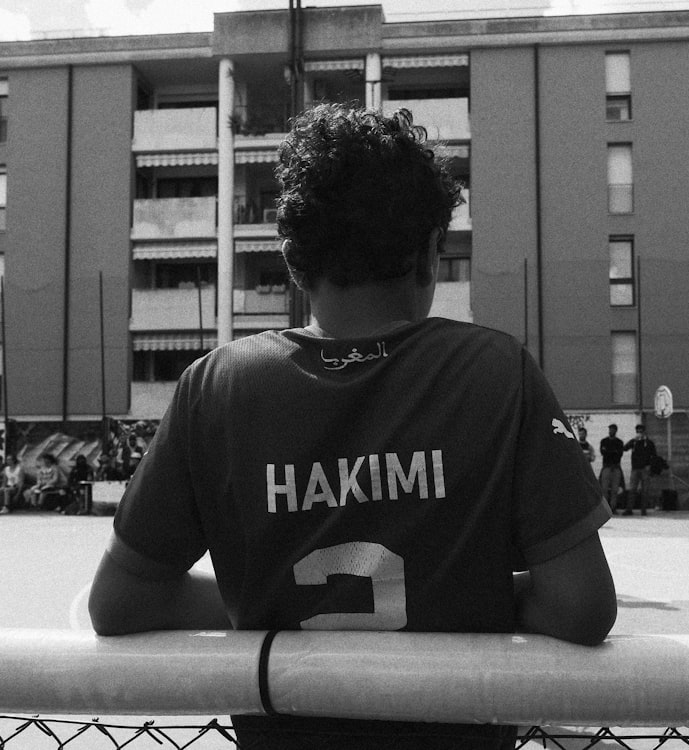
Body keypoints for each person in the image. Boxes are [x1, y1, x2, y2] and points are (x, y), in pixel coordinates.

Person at [88, 104, 616, 750]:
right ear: (429, 254)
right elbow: (582, 605)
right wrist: (451, 598)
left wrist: (265, 604)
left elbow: (117, 603)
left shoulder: (214, 387)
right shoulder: (496, 372)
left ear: (292, 262)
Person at [623, 423, 657, 516]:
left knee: (645, 490)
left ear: (644, 432)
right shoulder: (634, 442)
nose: (639, 433)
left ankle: (644, 509)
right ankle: (629, 509)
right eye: (638, 431)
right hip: (635, 468)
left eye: (641, 431)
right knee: (632, 489)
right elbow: (625, 448)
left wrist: (650, 466)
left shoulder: (649, 443)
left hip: (644, 469)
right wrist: (633, 440)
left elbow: (654, 455)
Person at [599, 424, 625, 514]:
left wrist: (610, 452)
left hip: (616, 467)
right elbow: (603, 452)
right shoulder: (604, 441)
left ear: (615, 431)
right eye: (610, 430)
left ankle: (613, 507)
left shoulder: (619, 442)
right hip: (606, 466)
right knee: (604, 488)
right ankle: (605, 508)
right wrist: (613, 452)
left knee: (615, 489)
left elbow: (619, 454)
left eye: (612, 430)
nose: (611, 431)